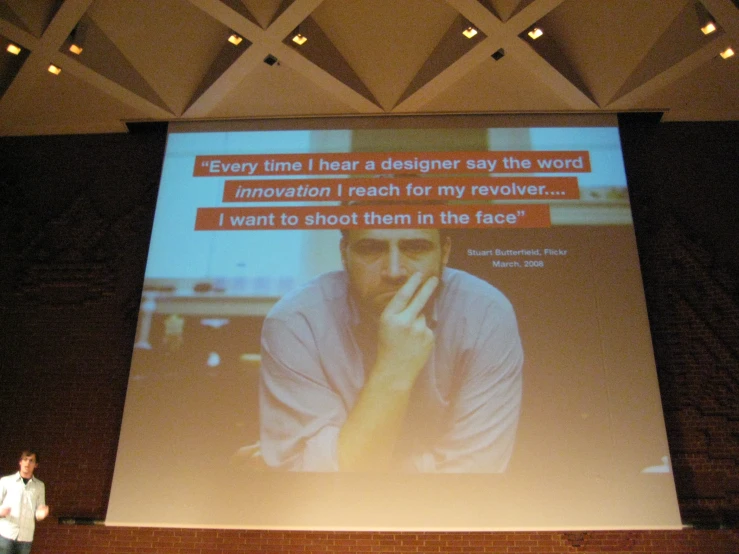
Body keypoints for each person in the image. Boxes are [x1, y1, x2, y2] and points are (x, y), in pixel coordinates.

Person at [259, 227, 523, 472]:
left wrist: (343, 458)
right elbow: (313, 485)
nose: (394, 271)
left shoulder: (486, 312)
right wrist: (394, 367)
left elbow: (473, 475)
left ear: (444, 253)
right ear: (344, 253)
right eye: (371, 249)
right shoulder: (296, 321)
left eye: (416, 247)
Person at [0, 450, 49, 554]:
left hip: (26, 536)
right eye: (25, 459)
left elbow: (39, 511)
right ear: (20, 462)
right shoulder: (6, 481)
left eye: (31, 461)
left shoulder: (39, 486)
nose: (27, 463)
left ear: (36, 465)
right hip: (6, 533)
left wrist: (42, 514)